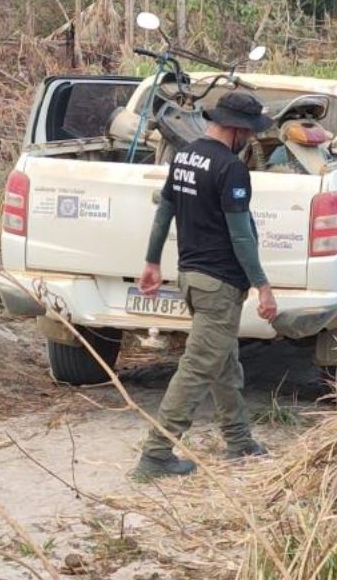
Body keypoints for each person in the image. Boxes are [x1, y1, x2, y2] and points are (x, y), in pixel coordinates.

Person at [132, 91, 278, 478]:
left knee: (224, 361)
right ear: (237, 129)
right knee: (198, 367)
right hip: (218, 283)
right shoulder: (231, 168)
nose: (251, 140)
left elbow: (165, 211)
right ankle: (156, 454)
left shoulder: (184, 156)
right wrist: (263, 285)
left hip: (191, 278)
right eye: (249, 132)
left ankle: (240, 439)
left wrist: (151, 261)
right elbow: (241, 236)